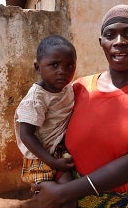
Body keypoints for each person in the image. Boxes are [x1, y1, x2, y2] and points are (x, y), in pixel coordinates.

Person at [24, 4, 128, 208]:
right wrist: (50, 182)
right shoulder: (77, 88)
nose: (120, 42)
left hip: (110, 201)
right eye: (111, 35)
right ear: (102, 43)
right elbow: (47, 133)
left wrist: (62, 193)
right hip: (67, 196)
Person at [14, 35, 77, 208]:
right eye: (54, 65)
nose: (62, 71)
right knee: (49, 200)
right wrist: (52, 161)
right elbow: (26, 135)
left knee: (68, 198)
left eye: (69, 65)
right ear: (38, 67)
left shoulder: (67, 89)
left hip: (59, 153)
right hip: (41, 158)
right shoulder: (36, 99)